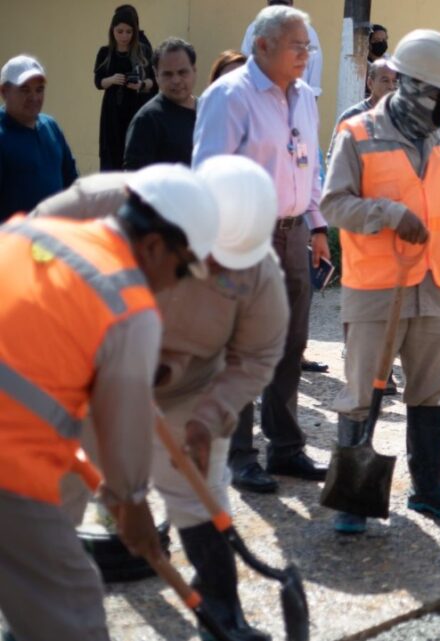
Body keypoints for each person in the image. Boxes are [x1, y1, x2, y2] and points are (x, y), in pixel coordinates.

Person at [32, 156, 285, 641]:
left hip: (188, 387)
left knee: (199, 489)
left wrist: (209, 417)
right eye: (204, 254)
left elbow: (257, 356)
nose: (212, 268)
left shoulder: (257, 271)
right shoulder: (100, 205)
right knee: (56, 491)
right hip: (84, 375)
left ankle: (222, 613)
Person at [0, 164, 218, 641]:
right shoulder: (128, 303)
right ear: (154, 245)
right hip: (8, 467)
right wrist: (133, 504)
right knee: (75, 604)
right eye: (182, 269)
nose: (177, 284)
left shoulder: (31, 231)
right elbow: (121, 429)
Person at [322, 29, 440, 532]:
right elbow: (334, 204)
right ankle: (353, 499)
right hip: (376, 287)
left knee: (431, 390)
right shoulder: (358, 132)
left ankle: (428, 490)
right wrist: (389, 214)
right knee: (362, 393)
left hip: (434, 284)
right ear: (410, 85)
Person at [194, 3, 331, 493]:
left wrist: (317, 226)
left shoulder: (305, 97)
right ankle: (238, 455)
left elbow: (308, 166)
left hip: (294, 233)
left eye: (307, 46)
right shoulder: (229, 95)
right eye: (296, 46)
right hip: (245, 235)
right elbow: (209, 174)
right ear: (262, 45)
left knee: (291, 344)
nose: (305, 55)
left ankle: (286, 447)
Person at [0, 55, 78, 222]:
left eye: (39, 90)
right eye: (25, 90)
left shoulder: (50, 126)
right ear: (4, 92)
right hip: (14, 236)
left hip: (55, 233)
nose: (34, 97)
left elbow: (71, 182)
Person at [94, 5, 156, 170]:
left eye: (129, 32)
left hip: (135, 107)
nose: (124, 36)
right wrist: (112, 80)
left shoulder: (142, 51)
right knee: (111, 154)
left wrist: (141, 84)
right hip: (112, 112)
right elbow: (98, 82)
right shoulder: (105, 53)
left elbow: (154, 82)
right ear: (112, 30)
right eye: (120, 31)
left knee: (134, 155)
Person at [124, 38, 197, 169]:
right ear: (156, 74)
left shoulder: (208, 111)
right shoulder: (147, 120)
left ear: (194, 70)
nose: (176, 80)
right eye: (168, 74)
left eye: (182, 72)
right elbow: (135, 176)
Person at [240, 0, 322, 97]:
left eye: (283, 3)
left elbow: (314, 73)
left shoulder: (306, 30)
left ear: (291, 4)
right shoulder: (254, 29)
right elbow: (245, 61)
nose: (278, 8)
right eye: (274, 3)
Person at [334, 58, 397, 129]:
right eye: (385, 80)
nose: (391, 86)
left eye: (394, 81)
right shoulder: (352, 117)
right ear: (370, 83)